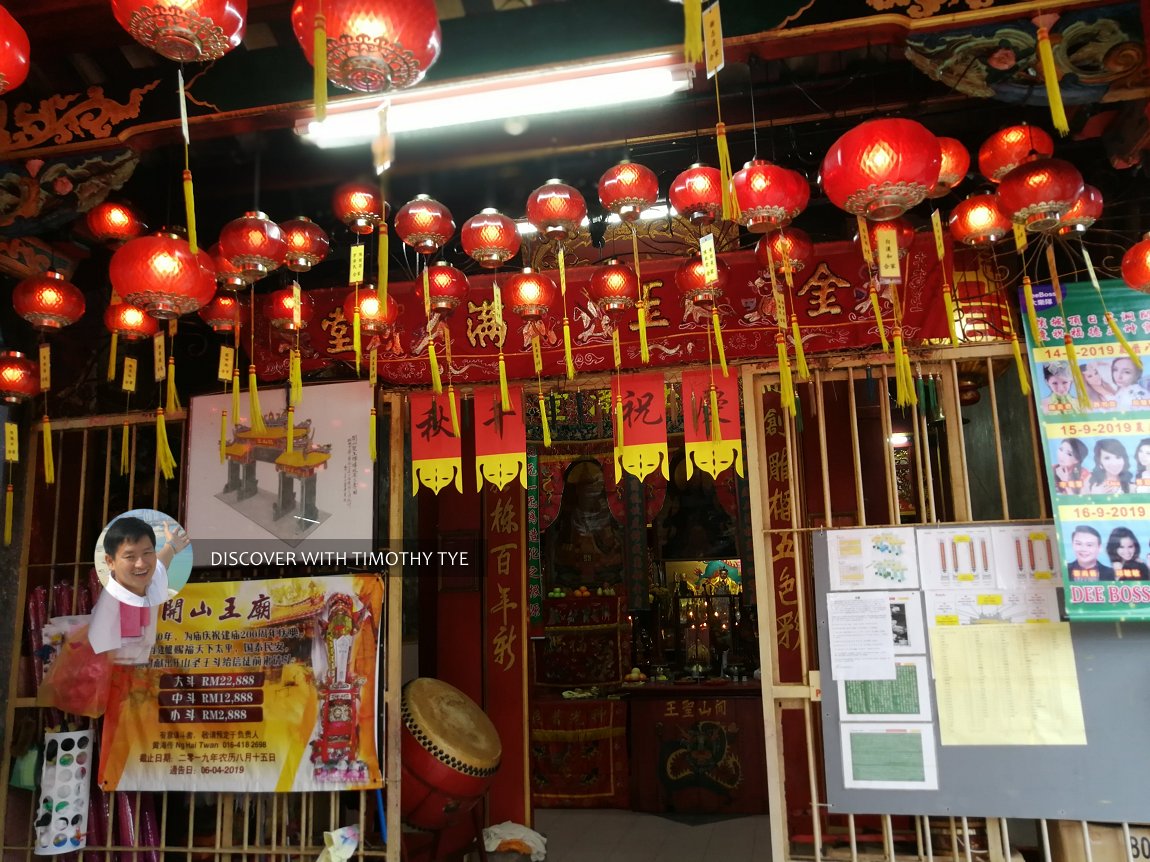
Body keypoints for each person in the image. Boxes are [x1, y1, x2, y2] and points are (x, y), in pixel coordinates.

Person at [88, 516, 191, 662]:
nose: (141, 564)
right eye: (130, 557)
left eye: (147, 553)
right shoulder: (110, 605)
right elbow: (104, 659)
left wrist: (172, 545)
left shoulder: (151, 579)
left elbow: (161, 562)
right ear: (110, 562)